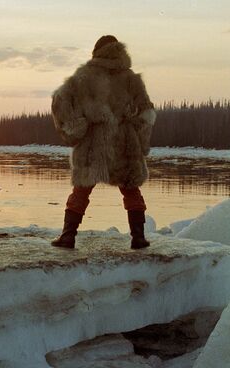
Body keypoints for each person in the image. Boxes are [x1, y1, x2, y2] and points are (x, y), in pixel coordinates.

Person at [50, 35, 156, 250]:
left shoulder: (84, 77)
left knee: (81, 190)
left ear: (97, 52)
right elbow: (146, 115)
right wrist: (140, 143)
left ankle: (68, 236)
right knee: (131, 189)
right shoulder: (132, 79)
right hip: (126, 144)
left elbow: (60, 101)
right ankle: (139, 238)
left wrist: (76, 127)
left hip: (93, 144)